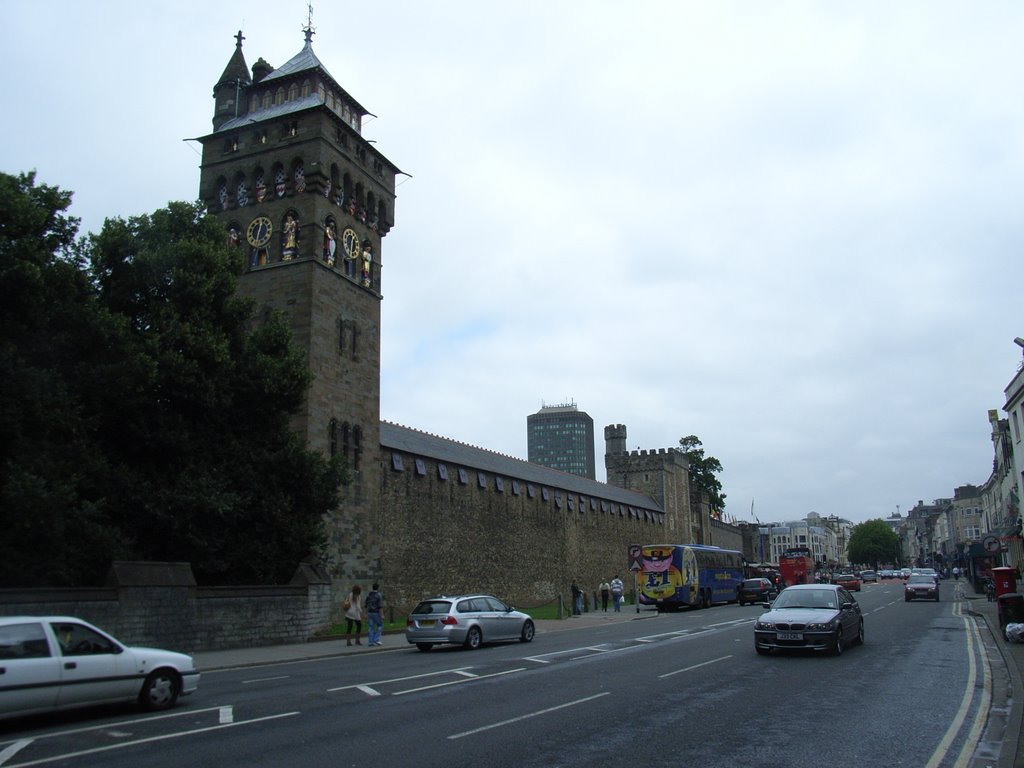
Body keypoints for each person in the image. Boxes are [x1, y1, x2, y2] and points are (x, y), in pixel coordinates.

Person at [365, 582, 384, 646]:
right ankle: (376, 639)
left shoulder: (369, 595)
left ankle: (370, 642)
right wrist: (382, 615)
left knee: (371, 627)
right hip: (376, 612)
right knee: (380, 625)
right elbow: (380, 606)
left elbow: (366, 605)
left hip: (370, 612)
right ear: (378, 588)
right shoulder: (379, 595)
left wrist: (366, 613)